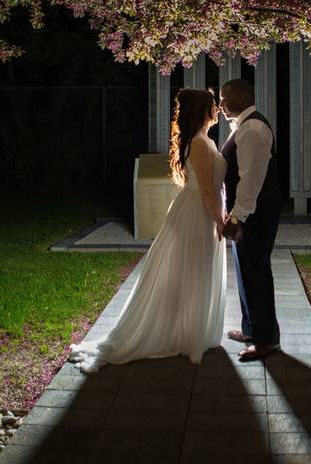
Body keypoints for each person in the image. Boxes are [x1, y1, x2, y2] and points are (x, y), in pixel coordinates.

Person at [69, 88, 227, 372]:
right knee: (192, 269)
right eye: (213, 104)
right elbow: (205, 189)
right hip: (197, 213)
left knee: (192, 271)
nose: (217, 108)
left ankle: (189, 331)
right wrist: (220, 221)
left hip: (197, 209)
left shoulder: (203, 139)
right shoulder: (201, 143)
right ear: (202, 111)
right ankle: (185, 334)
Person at [219, 79, 282, 361]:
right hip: (248, 213)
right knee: (246, 271)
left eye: (224, 98)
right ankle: (251, 328)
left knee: (256, 272)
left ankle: (266, 340)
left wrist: (236, 217)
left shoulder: (253, 129)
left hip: (255, 214)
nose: (220, 104)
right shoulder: (244, 126)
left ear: (242, 97)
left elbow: (251, 180)